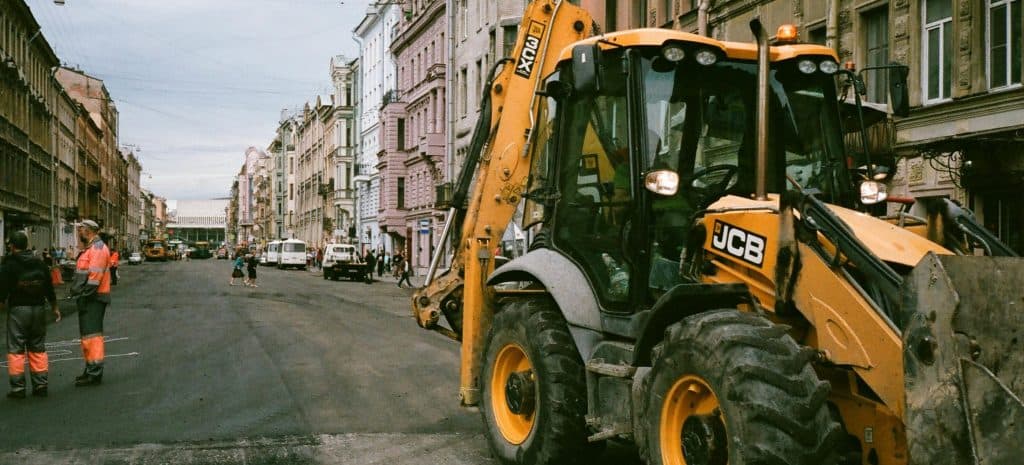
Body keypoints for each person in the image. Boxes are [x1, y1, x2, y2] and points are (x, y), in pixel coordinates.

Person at [0, 232, 61, 398]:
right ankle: (41, 385)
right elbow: (49, 286)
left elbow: (2, 290)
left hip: (18, 310)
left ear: (12, 246)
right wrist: (54, 306)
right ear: (27, 245)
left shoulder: (9, 264)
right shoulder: (39, 263)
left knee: (16, 349)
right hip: (38, 309)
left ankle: (18, 388)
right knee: (37, 347)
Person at [69, 220, 111, 387]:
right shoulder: (92, 248)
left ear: (88, 231)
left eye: (81, 230)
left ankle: (94, 373)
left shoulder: (98, 249)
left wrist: (84, 295)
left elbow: (94, 278)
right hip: (89, 298)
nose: (79, 233)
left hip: (93, 298)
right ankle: (90, 369)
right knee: (88, 337)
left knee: (92, 337)